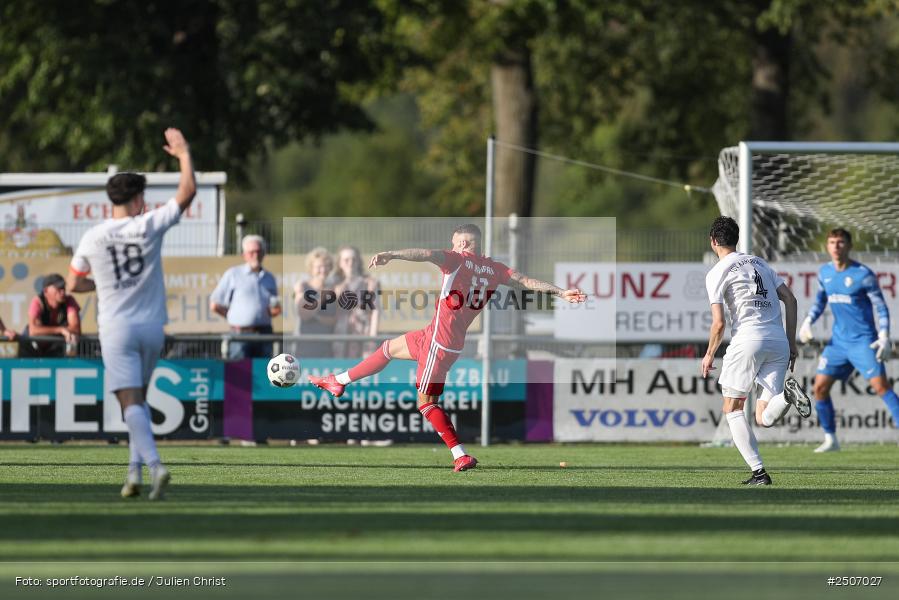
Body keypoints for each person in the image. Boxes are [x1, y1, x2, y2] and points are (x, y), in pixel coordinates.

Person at [309, 224, 587, 471]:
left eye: (454, 242)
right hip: (438, 337)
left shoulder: (456, 260)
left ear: (463, 244)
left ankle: (460, 454)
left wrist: (391, 254)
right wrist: (561, 292)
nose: (451, 247)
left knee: (426, 404)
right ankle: (338, 381)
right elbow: (526, 281)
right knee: (388, 349)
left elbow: (425, 254)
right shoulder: (495, 269)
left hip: (439, 343)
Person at [67, 127, 196, 500]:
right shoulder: (148, 224)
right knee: (137, 402)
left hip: (117, 329)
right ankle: (133, 474)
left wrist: (101, 286)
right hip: (153, 328)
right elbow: (186, 194)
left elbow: (74, 283)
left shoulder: (94, 236)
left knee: (130, 403)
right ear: (139, 199)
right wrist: (184, 154)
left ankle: (156, 467)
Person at [701, 216, 804, 486]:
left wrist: (710, 353)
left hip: (748, 340)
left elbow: (719, 323)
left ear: (713, 241)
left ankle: (759, 473)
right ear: (736, 239)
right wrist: (791, 342)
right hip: (778, 341)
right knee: (763, 416)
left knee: (732, 407)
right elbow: (790, 299)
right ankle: (787, 396)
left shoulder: (717, 271)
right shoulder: (760, 262)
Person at [798, 228, 899, 453]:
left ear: (849, 246)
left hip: (864, 342)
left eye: (841, 242)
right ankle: (831, 439)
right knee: (819, 388)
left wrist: (884, 336)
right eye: (832, 242)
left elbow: (881, 307)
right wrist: (807, 322)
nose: (836, 246)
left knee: (881, 387)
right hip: (838, 343)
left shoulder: (864, 274)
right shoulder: (824, 272)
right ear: (827, 246)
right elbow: (820, 302)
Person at [210, 234, 281, 359]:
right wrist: (232, 317)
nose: (255, 255)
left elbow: (274, 306)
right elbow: (215, 304)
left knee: (264, 372)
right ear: (244, 255)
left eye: (258, 251)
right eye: (251, 252)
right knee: (240, 374)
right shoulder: (233, 274)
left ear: (264, 253)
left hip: (264, 334)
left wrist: (274, 311)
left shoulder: (270, 278)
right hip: (239, 335)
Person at [332, 245, 380, 358]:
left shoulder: (368, 283)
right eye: (346, 260)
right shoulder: (334, 283)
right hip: (340, 334)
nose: (350, 263)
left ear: (358, 261)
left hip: (363, 333)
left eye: (354, 259)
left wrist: (372, 338)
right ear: (340, 263)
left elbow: (375, 311)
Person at [20, 273, 81, 357]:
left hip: (54, 348)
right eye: (58, 288)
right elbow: (33, 331)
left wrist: (56, 331)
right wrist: (60, 330)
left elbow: (76, 329)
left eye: (63, 287)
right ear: (45, 291)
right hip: (32, 350)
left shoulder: (69, 300)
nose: (63, 291)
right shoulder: (37, 302)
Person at [293, 247, 337, 358]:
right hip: (306, 346)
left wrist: (316, 317)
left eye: (326, 266)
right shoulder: (302, 287)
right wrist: (324, 297)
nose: (323, 270)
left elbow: (334, 320)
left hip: (327, 347)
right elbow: (304, 315)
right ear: (311, 269)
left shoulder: (334, 289)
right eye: (319, 267)